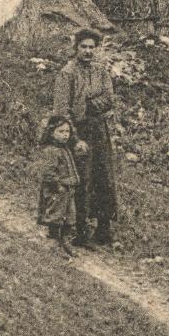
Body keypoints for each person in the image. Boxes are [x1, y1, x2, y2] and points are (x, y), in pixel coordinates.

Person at [53, 29, 119, 247]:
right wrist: (74, 138)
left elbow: (109, 98)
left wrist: (92, 104)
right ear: (76, 48)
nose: (88, 51)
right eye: (84, 47)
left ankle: (103, 229)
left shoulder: (101, 72)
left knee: (105, 178)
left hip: (99, 130)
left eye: (92, 47)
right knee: (83, 180)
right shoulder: (67, 73)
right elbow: (62, 110)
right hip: (78, 131)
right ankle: (81, 232)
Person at [35, 114, 80, 259]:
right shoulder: (51, 151)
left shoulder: (65, 149)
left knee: (69, 216)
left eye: (67, 131)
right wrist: (57, 186)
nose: (65, 135)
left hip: (68, 190)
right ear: (51, 132)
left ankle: (65, 241)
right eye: (61, 131)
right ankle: (54, 242)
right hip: (57, 190)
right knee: (56, 215)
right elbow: (48, 172)